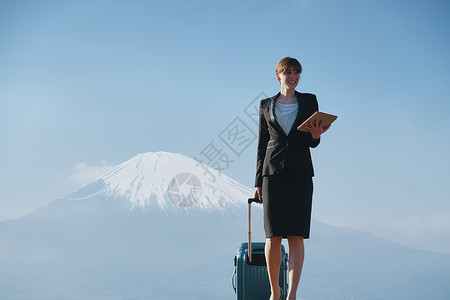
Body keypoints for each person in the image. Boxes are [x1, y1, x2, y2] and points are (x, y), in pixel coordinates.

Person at [254, 57, 330, 300]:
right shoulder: (265, 105)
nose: (293, 76)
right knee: (273, 235)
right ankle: (275, 293)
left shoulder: (309, 100)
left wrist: (317, 136)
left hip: (300, 173)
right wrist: (257, 182)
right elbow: (261, 145)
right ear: (278, 75)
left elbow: (311, 141)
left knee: (296, 235)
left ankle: (292, 295)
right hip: (272, 174)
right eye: (288, 72)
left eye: (297, 72)